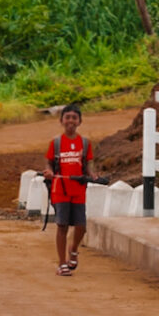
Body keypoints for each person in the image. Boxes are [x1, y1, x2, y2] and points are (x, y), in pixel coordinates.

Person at [45, 105, 93, 276]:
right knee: (62, 226)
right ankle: (62, 263)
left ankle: (73, 249)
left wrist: (93, 175)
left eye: (74, 117)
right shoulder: (56, 143)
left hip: (79, 190)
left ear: (80, 121)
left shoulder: (85, 143)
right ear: (61, 121)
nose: (71, 121)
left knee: (81, 226)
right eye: (68, 117)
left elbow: (88, 165)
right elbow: (49, 163)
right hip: (60, 190)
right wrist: (49, 172)